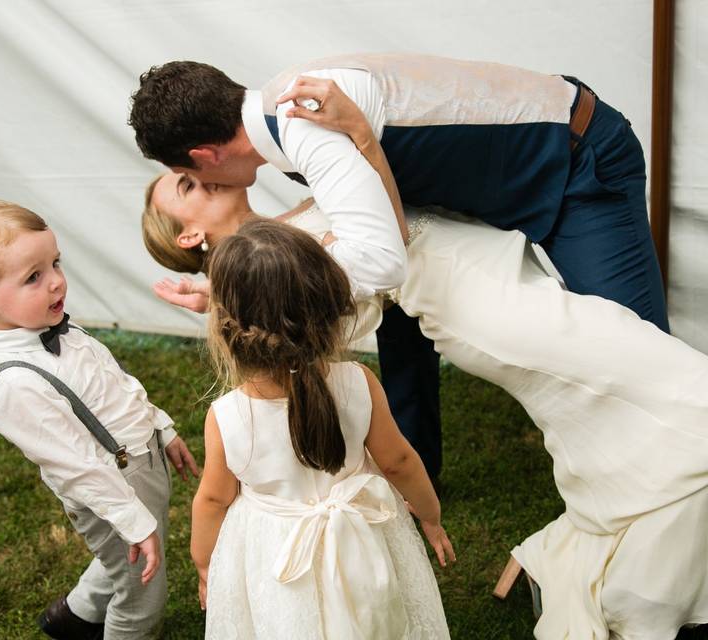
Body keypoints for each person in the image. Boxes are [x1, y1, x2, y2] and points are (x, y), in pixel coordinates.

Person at [139, 90, 708, 638]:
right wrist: (360, 138)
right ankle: (644, 578)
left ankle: (633, 539)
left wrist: (364, 141)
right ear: (189, 232)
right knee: (662, 386)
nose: (203, 174)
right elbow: (347, 314)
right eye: (188, 184)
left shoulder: (280, 228)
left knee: (619, 402)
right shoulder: (278, 267)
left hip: (492, 266)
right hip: (481, 308)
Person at [130, 54, 670, 484]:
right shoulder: (285, 107)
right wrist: (233, 295)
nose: (197, 182)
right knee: (406, 329)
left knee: (638, 359)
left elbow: (381, 258)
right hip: (495, 197)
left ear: (203, 154)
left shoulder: (304, 125)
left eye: (182, 173)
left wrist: (239, 294)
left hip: (576, 162)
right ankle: (420, 474)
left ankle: (664, 495)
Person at [0, 198, 198, 640]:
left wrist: (161, 427)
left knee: (130, 555)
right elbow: (78, 467)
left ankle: (73, 616)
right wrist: (133, 522)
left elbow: (117, 385)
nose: (56, 283)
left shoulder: (62, 332)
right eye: (34, 276)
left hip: (140, 462)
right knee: (142, 595)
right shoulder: (14, 388)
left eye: (55, 263)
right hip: (111, 489)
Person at [191, 219, 453, 640]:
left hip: (276, 561)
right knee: (375, 619)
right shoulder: (359, 383)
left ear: (226, 327)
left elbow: (212, 499)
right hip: (362, 542)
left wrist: (207, 564)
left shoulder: (226, 417)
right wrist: (431, 516)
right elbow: (400, 461)